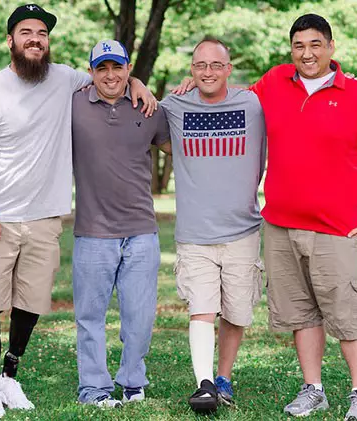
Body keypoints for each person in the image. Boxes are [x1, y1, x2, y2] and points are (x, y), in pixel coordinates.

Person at [0, 4, 156, 418]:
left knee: (30, 305)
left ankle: (11, 378)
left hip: (46, 218)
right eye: (26, 32)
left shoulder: (66, 79)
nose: (35, 39)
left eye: (42, 34)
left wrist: (137, 81)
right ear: (9, 40)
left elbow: (111, 79)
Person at [249, 14, 357, 420]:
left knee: (347, 313)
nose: (307, 53)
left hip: (337, 228)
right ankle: (313, 390)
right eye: (299, 46)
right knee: (300, 313)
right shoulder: (274, 82)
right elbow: (228, 99)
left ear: (331, 47)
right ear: (291, 50)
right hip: (280, 224)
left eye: (315, 44)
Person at [160, 37, 267, 413]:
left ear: (229, 69)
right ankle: (204, 384)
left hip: (243, 230)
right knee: (202, 309)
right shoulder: (173, 106)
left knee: (236, 312)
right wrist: (139, 84)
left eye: (216, 65)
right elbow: (138, 113)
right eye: (200, 65)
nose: (207, 72)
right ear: (191, 70)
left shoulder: (253, 104)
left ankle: (223, 376)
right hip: (195, 233)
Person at [70, 39, 171, 408]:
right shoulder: (75, 104)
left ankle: (132, 381)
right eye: (102, 68)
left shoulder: (149, 107)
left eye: (117, 68)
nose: (110, 75)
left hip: (142, 230)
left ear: (128, 69)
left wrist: (141, 87)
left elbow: (176, 149)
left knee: (140, 317)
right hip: (93, 232)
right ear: (91, 72)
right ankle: (94, 389)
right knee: (90, 317)